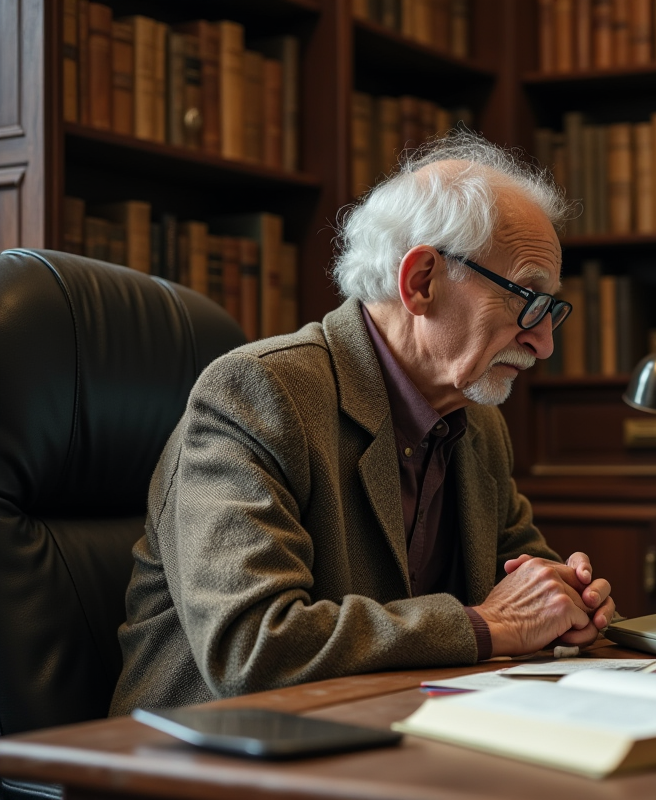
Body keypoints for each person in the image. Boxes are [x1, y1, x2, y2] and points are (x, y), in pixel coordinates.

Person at [109, 132, 616, 716]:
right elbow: (252, 649)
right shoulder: (255, 394)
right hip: (203, 755)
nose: (544, 342)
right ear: (421, 280)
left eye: (552, 309)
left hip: (389, 728)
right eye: (528, 298)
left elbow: (529, 587)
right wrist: (487, 624)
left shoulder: (477, 426)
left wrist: (570, 603)